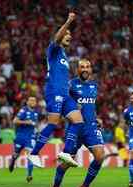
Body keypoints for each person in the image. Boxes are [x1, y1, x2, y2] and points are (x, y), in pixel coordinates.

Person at [28, 12, 84, 167]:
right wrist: (68, 21)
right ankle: (33, 154)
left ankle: (65, 153)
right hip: (54, 92)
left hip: (65, 94)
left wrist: (74, 93)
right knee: (53, 123)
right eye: (67, 34)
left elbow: (63, 79)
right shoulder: (53, 50)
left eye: (70, 35)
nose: (69, 37)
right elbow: (56, 38)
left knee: (78, 121)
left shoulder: (64, 56)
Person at [50, 59, 104, 187]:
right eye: (82, 67)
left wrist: (96, 118)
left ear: (91, 69)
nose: (85, 69)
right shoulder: (71, 85)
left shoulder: (94, 86)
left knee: (100, 156)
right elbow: (61, 102)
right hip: (76, 128)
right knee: (66, 163)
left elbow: (91, 106)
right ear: (78, 70)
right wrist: (71, 109)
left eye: (87, 66)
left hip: (91, 127)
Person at [8, 96, 39, 183]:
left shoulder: (36, 113)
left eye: (34, 100)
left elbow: (34, 125)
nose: (33, 102)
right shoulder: (23, 110)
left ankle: (29, 174)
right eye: (31, 100)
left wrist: (37, 132)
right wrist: (26, 122)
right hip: (20, 136)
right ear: (27, 102)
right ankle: (13, 161)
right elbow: (15, 121)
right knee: (16, 154)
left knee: (31, 155)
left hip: (30, 138)